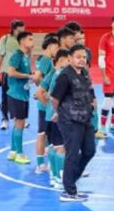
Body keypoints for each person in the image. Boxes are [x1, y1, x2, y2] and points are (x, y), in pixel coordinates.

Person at [51, 44, 97, 202]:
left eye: (84, 57)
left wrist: (92, 101)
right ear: (69, 58)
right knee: (72, 154)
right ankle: (69, 191)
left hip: (85, 119)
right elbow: (55, 99)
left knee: (90, 150)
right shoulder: (65, 76)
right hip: (70, 121)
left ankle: (69, 179)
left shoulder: (84, 73)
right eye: (78, 56)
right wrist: (60, 113)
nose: (82, 59)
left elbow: (89, 90)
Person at [36, 49, 70, 189]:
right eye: (69, 59)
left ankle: (53, 176)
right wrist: (57, 110)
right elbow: (59, 97)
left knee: (52, 146)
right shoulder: (62, 75)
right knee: (61, 148)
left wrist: (48, 107)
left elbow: (40, 92)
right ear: (62, 60)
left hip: (49, 115)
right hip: (58, 116)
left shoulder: (52, 74)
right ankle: (60, 179)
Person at [6, 31, 38, 165]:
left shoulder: (27, 55)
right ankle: (20, 154)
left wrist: (32, 74)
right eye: (30, 39)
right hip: (16, 94)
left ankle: (13, 151)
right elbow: (11, 72)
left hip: (23, 94)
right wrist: (28, 76)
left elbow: (25, 72)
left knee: (18, 123)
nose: (33, 42)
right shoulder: (17, 55)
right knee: (20, 123)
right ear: (22, 41)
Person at [34, 36, 60, 174]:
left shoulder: (47, 60)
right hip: (44, 105)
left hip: (46, 103)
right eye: (56, 47)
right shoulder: (45, 60)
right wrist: (43, 94)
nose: (57, 49)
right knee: (43, 133)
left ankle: (50, 164)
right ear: (50, 46)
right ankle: (39, 165)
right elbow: (37, 77)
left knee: (48, 134)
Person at [0, 19, 25, 130]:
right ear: (13, 29)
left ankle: (20, 118)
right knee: (5, 97)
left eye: (23, 29)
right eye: (20, 30)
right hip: (7, 73)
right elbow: (0, 56)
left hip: (20, 74)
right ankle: (5, 119)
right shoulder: (5, 39)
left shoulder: (24, 40)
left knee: (20, 97)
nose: (22, 31)